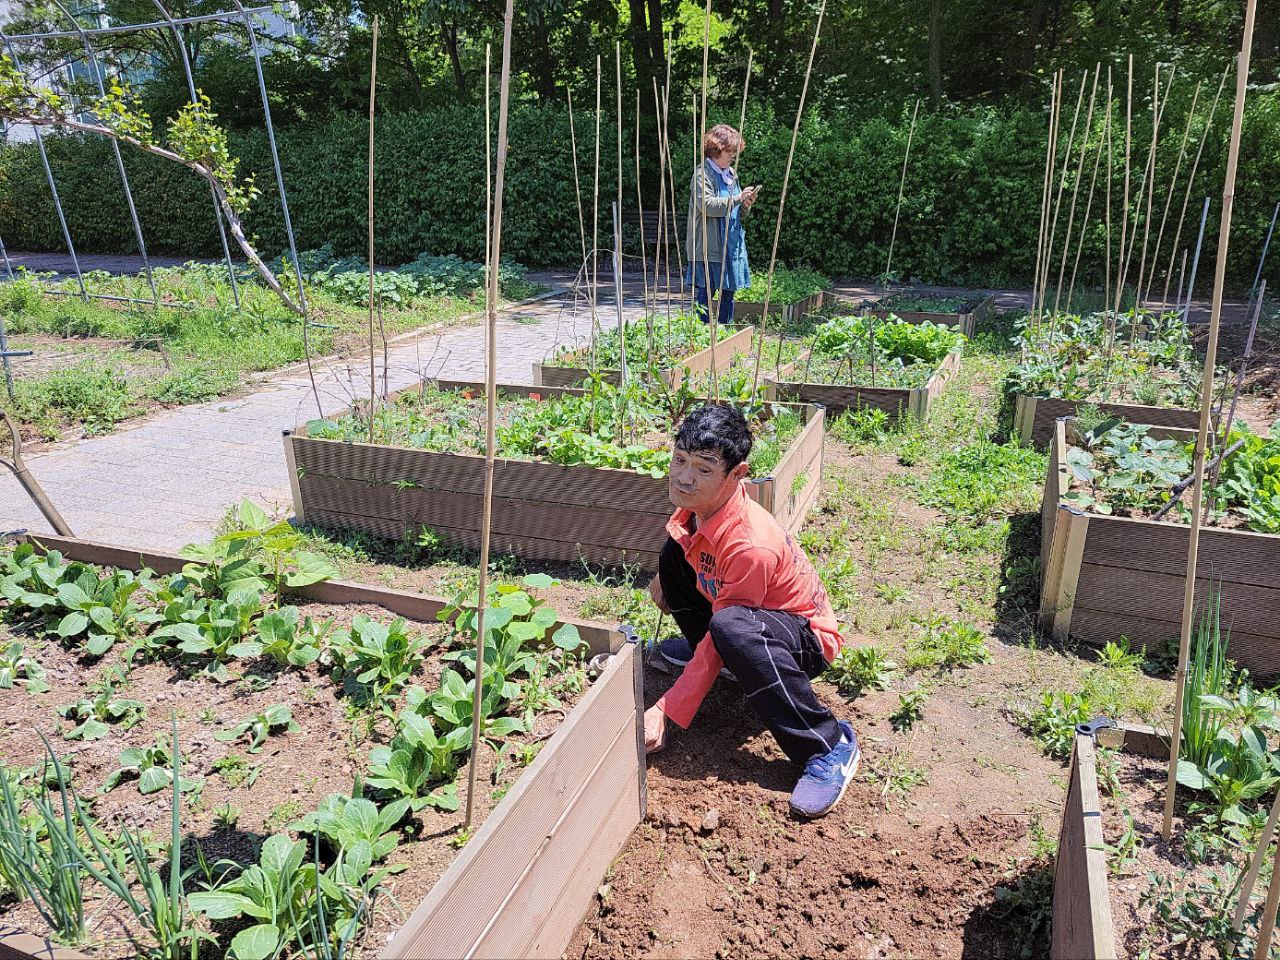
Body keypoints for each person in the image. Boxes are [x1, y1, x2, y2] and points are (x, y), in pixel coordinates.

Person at [644, 404, 861, 818]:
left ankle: (828, 745)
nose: (685, 477)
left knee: (731, 627)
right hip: (751, 617)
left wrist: (666, 709)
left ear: (737, 474)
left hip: (804, 640)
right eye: (679, 459)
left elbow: (732, 618)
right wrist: (667, 575)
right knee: (675, 552)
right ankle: (730, 664)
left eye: (704, 469)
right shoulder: (700, 508)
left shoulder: (750, 544)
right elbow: (692, 554)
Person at [686, 123, 760, 326]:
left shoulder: (730, 174)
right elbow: (707, 206)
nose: (733, 156)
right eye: (730, 151)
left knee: (729, 291)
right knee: (706, 291)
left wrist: (745, 204)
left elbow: (737, 212)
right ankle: (701, 332)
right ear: (717, 149)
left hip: (731, 243)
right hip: (709, 246)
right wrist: (737, 198)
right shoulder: (702, 175)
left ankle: (724, 332)